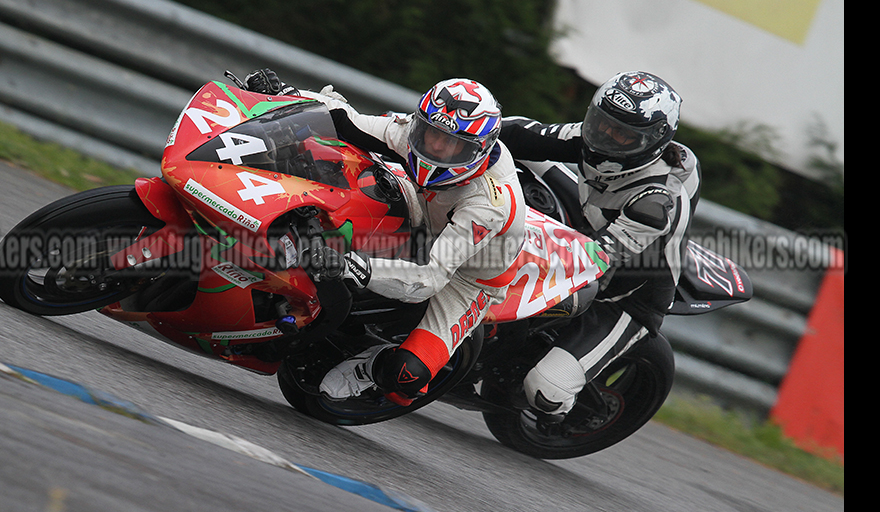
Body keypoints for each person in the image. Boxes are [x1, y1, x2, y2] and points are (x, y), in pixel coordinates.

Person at [241, 69, 529, 406]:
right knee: (343, 167)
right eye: (430, 134)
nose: (434, 147)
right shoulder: (416, 131)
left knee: (407, 377)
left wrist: (353, 267)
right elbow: (344, 120)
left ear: (478, 151)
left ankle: (371, 366)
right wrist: (286, 94)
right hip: (420, 208)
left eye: (451, 145)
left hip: (467, 277)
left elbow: (431, 277)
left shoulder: (488, 204)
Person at [497, 70, 698, 422]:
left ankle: (563, 407)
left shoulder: (657, 202)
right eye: (602, 123)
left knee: (545, 391)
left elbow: (593, 264)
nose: (607, 137)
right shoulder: (596, 138)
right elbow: (520, 132)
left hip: (624, 294)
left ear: (653, 142)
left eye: (623, 134)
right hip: (593, 222)